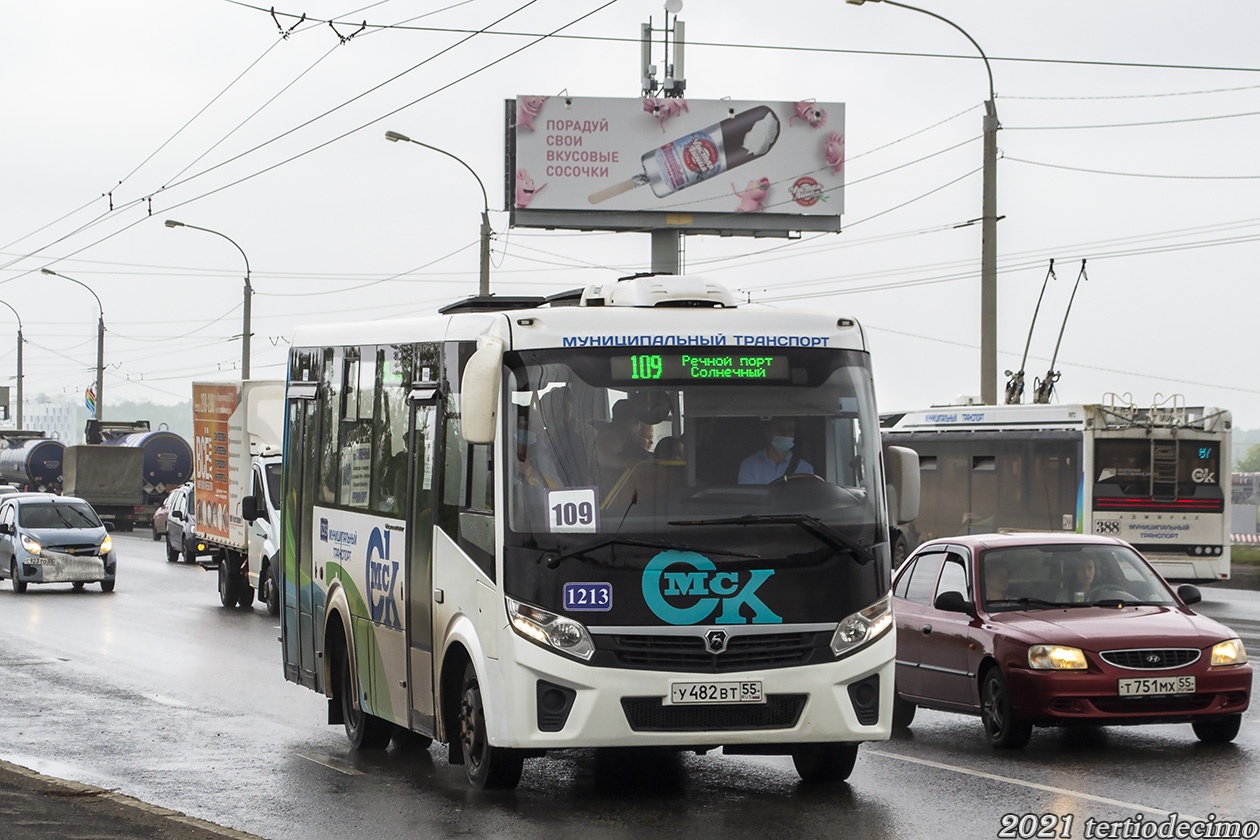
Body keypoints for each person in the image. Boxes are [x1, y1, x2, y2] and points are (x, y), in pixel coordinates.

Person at [594, 399, 652, 489]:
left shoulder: (627, 437)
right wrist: (626, 463)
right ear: (636, 420)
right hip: (613, 496)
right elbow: (603, 457)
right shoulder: (609, 435)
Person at [738, 417, 813, 484]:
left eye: (790, 430)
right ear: (767, 431)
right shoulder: (750, 466)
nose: (785, 434)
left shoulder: (805, 469)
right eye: (780, 429)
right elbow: (747, 499)